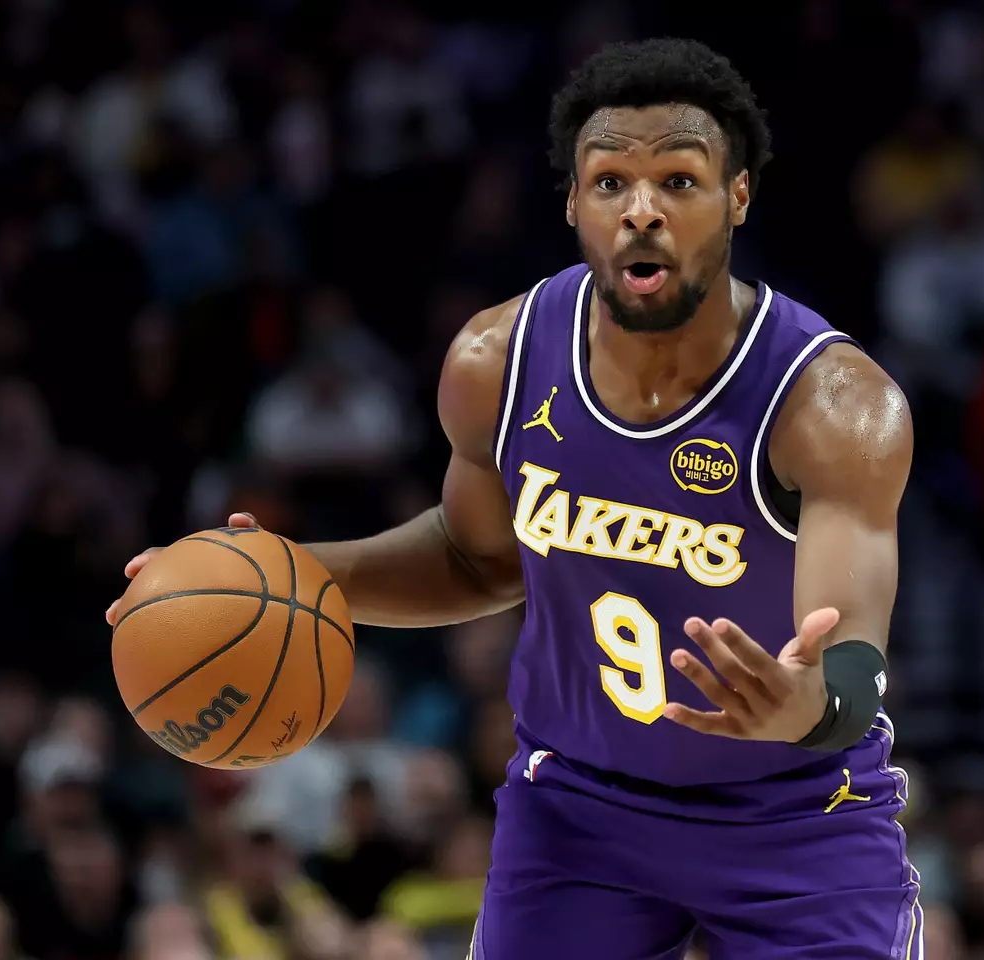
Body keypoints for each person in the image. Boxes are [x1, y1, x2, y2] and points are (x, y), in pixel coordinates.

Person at [109, 38, 916, 959]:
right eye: (610, 182)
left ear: (737, 195)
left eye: (680, 182)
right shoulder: (497, 362)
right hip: (580, 807)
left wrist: (806, 704)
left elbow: (855, 658)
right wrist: (288, 574)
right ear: (573, 202)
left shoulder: (832, 404)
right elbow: (476, 558)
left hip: (797, 807)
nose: (641, 211)